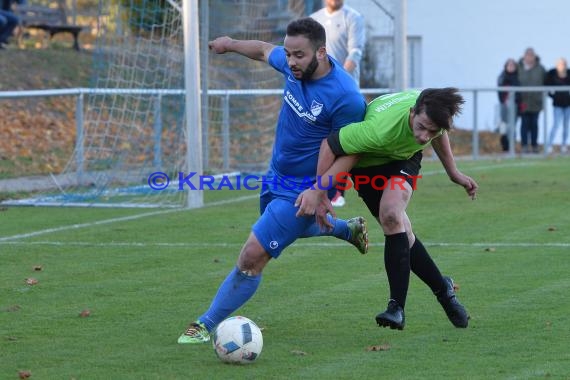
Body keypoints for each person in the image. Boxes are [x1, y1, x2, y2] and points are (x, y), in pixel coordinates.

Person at [177, 17, 369, 344]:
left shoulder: (346, 96)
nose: (291, 61)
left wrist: (320, 191)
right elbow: (265, 50)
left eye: (299, 56)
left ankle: (206, 324)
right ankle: (346, 228)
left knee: (253, 256)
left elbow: (351, 153)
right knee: (286, 225)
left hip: (308, 185)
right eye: (289, 54)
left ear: (321, 53)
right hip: (275, 174)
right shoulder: (291, 62)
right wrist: (231, 44)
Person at [295, 88, 478, 330]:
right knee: (404, 234)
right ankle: (442, 288)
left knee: (391, 214)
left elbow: (439, 131)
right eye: (422, 126)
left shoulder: (431, 114)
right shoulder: (378, 130)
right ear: (412, 113)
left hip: (402, 158)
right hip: (368, 167)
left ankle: (396, 308)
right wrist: (321, 193)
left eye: (431, 131)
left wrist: (453, 172)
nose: (425, 137)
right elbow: (329, 145)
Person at [311, 0, 366, 207]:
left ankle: (338, 192)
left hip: (345, 93)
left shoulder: (353, 17)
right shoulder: (314, 19)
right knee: (320, 140)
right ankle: (317, 188)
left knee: (342, 142)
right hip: (318, 93)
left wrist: (338, 79)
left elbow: (355, 52)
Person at [517, 47, 546, 153]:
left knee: (534, 124)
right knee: (524, 124)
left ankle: (534, 146)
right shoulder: (518, 68)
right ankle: (524, 146)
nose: (529, 57)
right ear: (524, 56)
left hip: (536, 102)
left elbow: (547, 81)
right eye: (528, 55)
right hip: (523, 102)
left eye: (531, 55)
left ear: (534, 56)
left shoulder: (540, 68)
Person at [545, 57, 570, 154]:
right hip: (557, 104)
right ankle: (549, 145)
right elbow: (546, 87)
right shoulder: (552, 74)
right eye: (560, 64)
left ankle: (564, 145)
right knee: (556, 124)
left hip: (568, 104)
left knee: (566, 125)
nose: (562, 66)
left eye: (564, 64)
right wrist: (553, 96)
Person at [497, 58, 521, 152]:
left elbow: (519, 93)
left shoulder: (517, 77)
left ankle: (512, 147)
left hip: (515, 106)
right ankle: (505, 147)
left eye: (513, 65)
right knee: (504, 127)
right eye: (509, 65)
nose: (511, 67)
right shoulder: (502, 77)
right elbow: (500, 93)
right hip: (505, 106)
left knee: (513, 127)